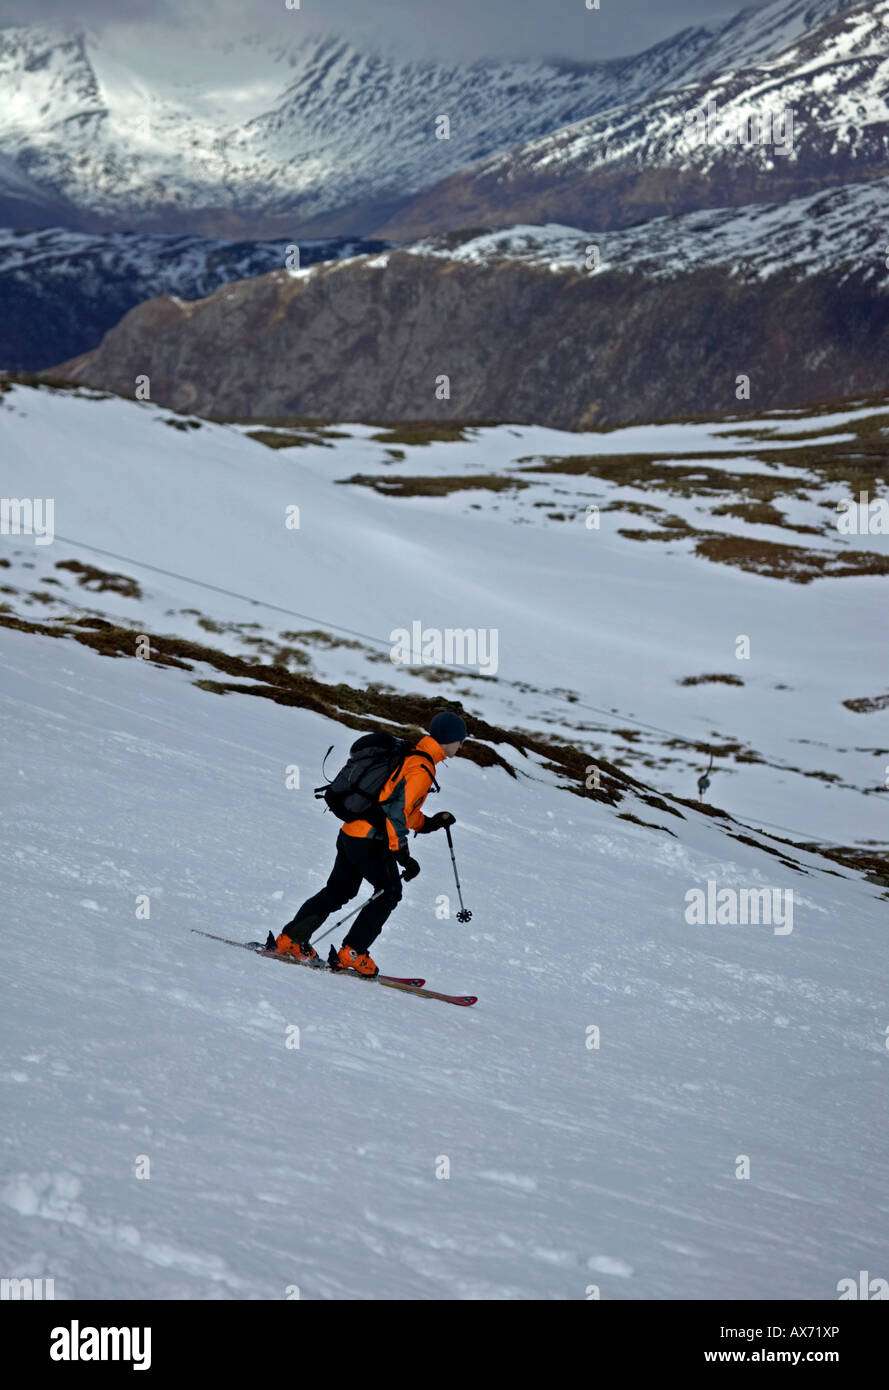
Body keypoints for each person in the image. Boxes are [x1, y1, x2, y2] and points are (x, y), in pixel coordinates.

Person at [275, 711, 467, 976]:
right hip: (369, 841)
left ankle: (290, 940)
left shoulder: (413, 757)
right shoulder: (421, 767)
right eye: (460, 740)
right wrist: (403, 856)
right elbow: (395, 815)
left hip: (351, 834)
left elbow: (400, 809)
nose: (461, 745)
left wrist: (430, 823)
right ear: (448, 739)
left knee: (338, 891)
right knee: (390, 892)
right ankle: (353, 953)